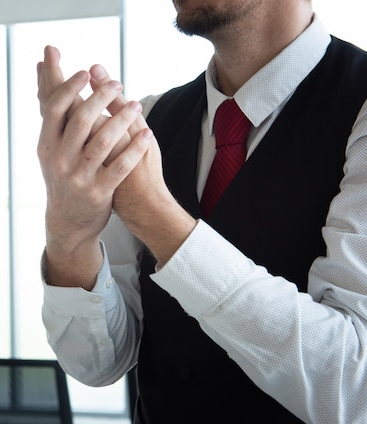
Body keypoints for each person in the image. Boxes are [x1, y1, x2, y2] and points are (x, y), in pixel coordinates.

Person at [36, 0, 367, 423]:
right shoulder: (153, 119)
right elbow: (97, 363)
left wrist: (155, 216)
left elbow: (353, 389)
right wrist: (70, 235)